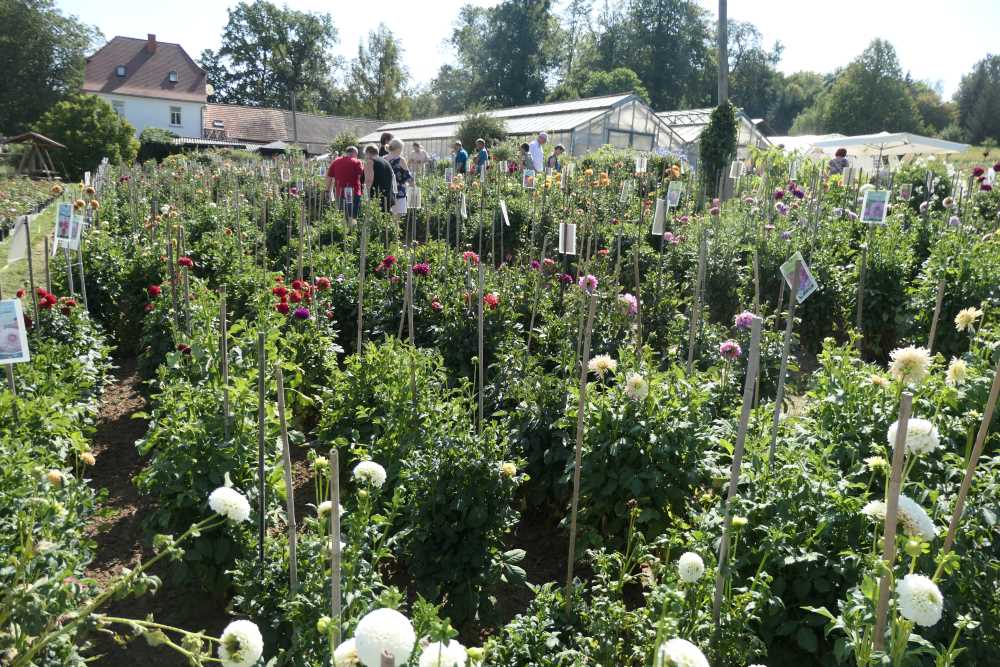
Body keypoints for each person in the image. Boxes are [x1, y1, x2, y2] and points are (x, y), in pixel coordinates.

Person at [326, 146, 364, 223]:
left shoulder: (336, 162)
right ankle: (352, 232)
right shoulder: (357, 162)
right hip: (354, 192)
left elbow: (329, 177)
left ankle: (343, 232)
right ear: (354, 153)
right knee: (353, 216)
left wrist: (327, 190)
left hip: (339, 193)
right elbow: (361, 177)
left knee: (341, 215)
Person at [363, 144, 394, 211]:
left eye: (365, 154)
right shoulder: (386, 162)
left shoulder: (370, 162)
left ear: (368, 153)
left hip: (375, 199)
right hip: (387, 197)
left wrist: (365, 197)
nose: (365, 157)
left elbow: (368, 181)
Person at [386, 138, 412, 218]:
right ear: (398, 148)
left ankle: (391, 230)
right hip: (398, 191)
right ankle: (396, 230)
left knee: (389, 216)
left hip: (387, 191)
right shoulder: (400, 160)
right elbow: (408, 176)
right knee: (397, 217)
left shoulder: (384, 159)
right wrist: (414, 185)